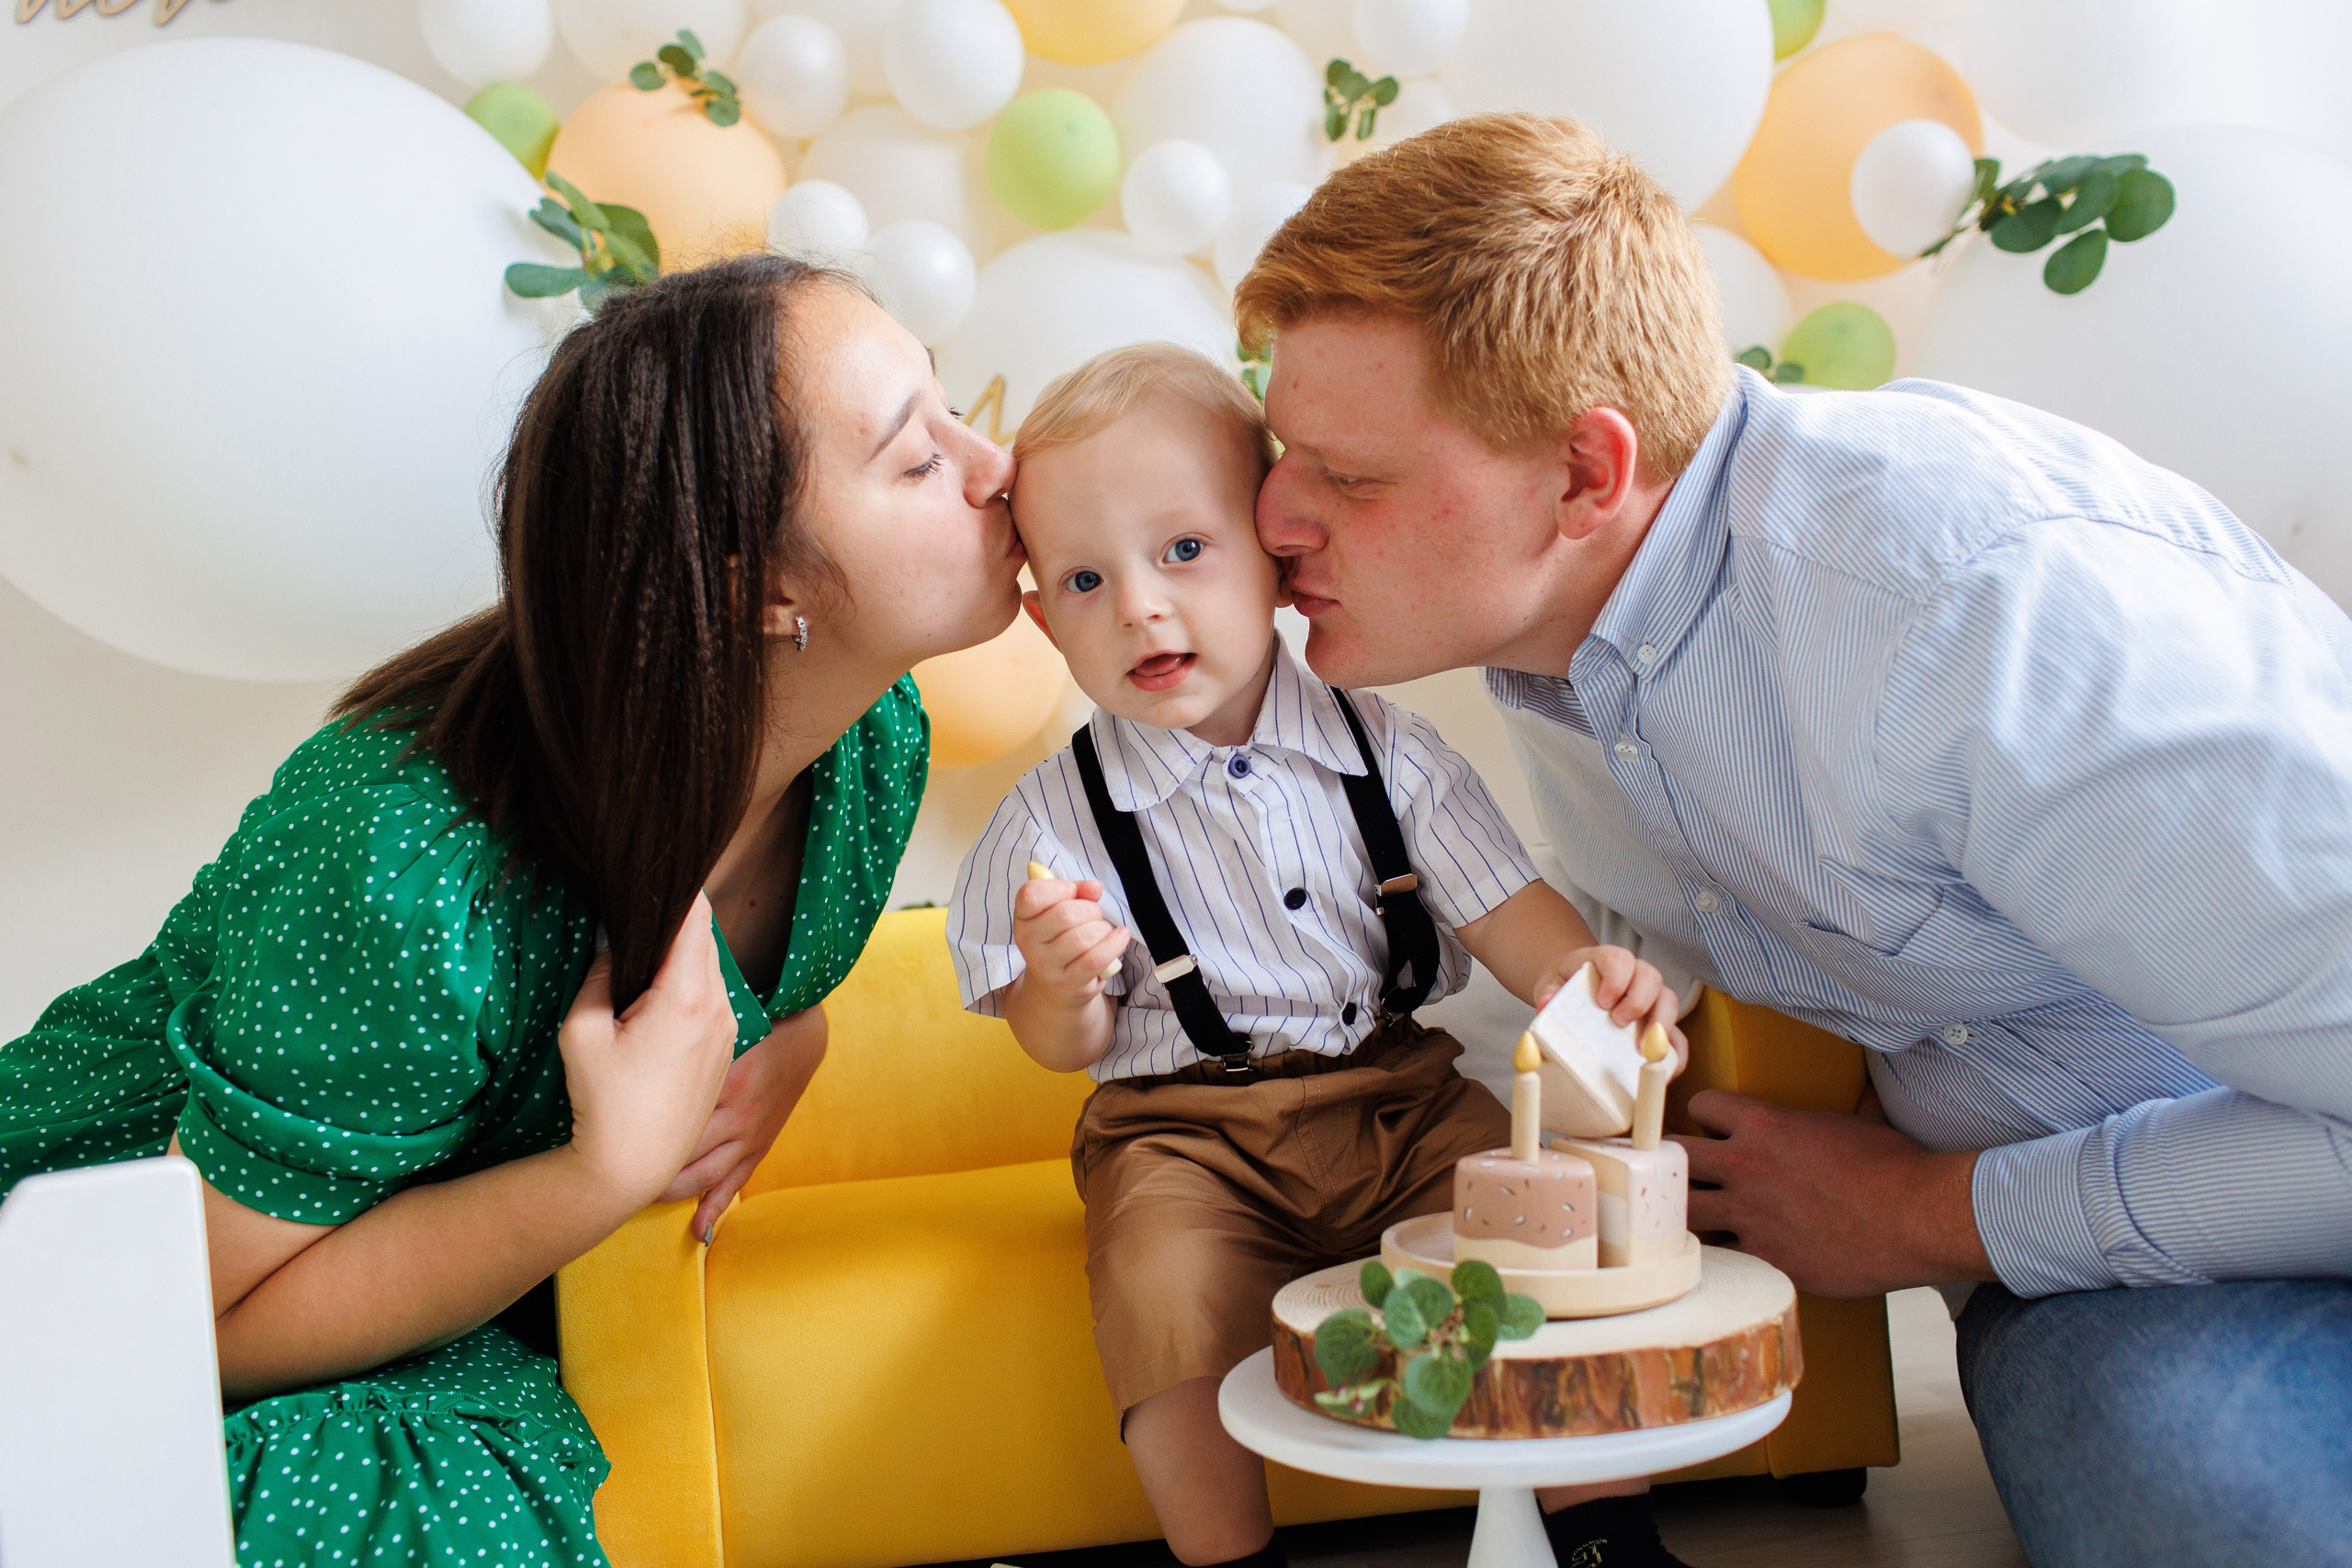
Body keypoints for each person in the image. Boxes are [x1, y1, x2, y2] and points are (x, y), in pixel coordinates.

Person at [1233, 112, 2352, 1566]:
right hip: (2127, 1265)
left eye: (1351, 478)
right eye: (1278, 454)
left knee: (2216, 1506)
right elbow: (1610, 979)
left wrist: (1929, 1213)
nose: (1270, 518)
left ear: (1585, 473)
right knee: (2167, 1483)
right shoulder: (1568, 658)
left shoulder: (1971, 616)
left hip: (2259, 1158)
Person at [0, 254, 1022, 1565]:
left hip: (383, 1301)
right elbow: (188, 1328)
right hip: (91, 1300)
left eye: (948, 408)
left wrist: (794, 1039)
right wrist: (605, 1172)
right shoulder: (406, 871)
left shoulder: (871, 751)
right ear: (751, 585)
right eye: (916, 458)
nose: (994, 461)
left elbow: (774, 994)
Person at [945, 343, 1692, 1568]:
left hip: (1396, 1092)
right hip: (1181, 1133)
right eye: (1085, 579)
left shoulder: (1386, 750)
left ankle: (1607, 1530)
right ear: (1043, 618)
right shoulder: (1049, 821)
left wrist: (1582, 980)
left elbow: (1507, 909)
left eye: (1184, 550)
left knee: (1536, 1230)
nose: (1139, 604)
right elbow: (1055, 1047)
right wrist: (1061, 982)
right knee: (1162, 1297)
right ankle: (1229, 1558)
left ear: (1276, 558)